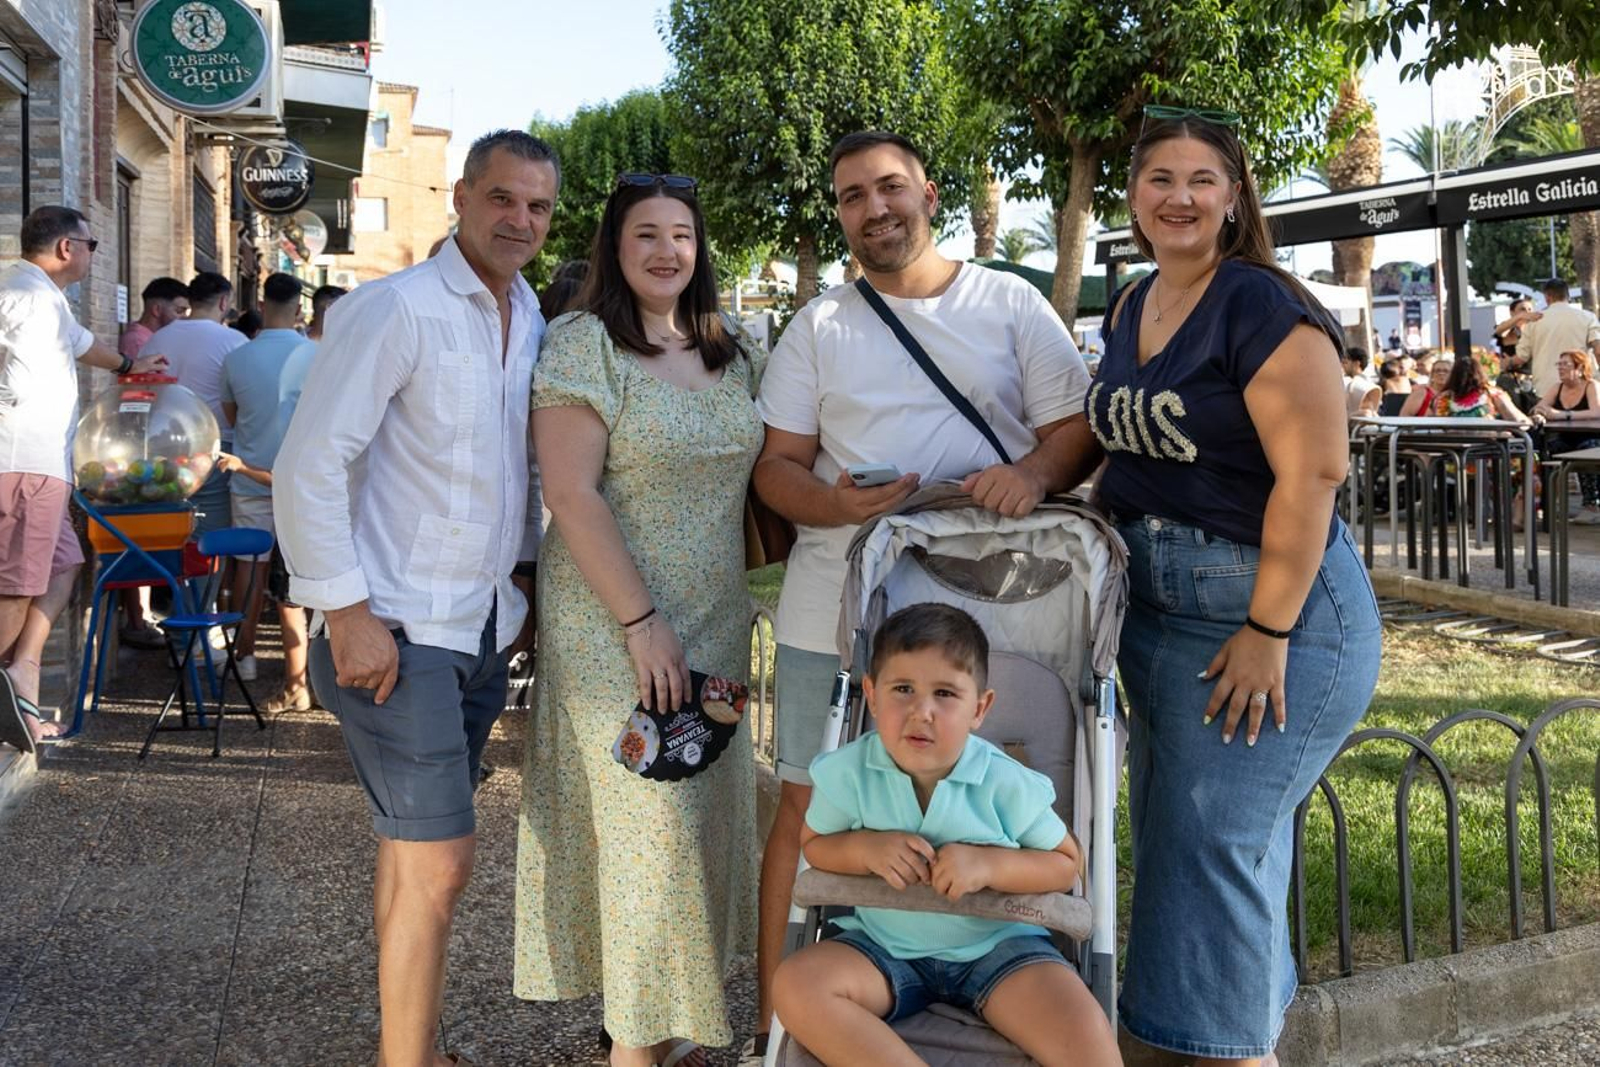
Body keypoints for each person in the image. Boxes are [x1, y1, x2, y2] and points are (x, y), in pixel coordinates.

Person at [749, 129, 1096, 1062]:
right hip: (841, 589)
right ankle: (771, 1022)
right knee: (802, 801)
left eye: (891, 186)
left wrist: (1030, 472)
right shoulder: (819, 325)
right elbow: (776, 468)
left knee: (1002, 771)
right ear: (842, 214)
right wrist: (831, 502)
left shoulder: (1010, 302)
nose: (875, 207)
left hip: (996, 598)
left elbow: (1073, 433)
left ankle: (992, 954)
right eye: (854, 195)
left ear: (929, 192)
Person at [1084, 106, 1381, 1066]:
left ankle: (1234, 1052)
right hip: (1162, 618)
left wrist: (1268, 629)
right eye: (1159, 178)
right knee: (1180, 846)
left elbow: (1315, 474)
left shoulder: (1257, 303)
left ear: (1234, 196)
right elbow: (1120, 435)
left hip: (1269, 616)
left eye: (1200, 178)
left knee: (1218, 846)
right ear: (1133, 196)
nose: (1179, 196)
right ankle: (1176, 1043)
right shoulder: (1132, 304)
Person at [274, 128, 556, 1067]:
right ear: (462, 197)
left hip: (479, 629)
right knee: (441, 858)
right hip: (395, 626)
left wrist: (521, 577)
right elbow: (311, 463)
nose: (520, 220)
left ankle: (413, 1049)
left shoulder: (533, 320)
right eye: (503, 199)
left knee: (412, 854)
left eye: (539, 207)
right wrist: (345, 613)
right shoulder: (396, 310)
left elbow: (514, 472)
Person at [515, 172, 760, 1067]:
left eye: (682, 235)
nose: (666, 251)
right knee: (644, 841)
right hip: (616, 629)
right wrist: (640, 618)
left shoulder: (731, 350)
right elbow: (571, 495)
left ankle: (662, 1023)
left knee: (693, 832)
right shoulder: (585, 343)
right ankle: (637, 1046)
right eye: (646, 234)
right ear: (617, 248)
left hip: (717, 623)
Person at [771, 604, 1119, 1067]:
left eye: (944, 694)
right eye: (902, 690)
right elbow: (815, 845)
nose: (922, 712)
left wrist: (989, 864)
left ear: (979, 709)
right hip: (884, 947)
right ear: (871, 697)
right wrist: (865, 848)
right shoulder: (849, 773)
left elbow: (1063, 862)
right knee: (795, 985)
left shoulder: (1004, 782)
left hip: (1000, 947)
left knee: (1085, 1033)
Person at [0, 206, 167, 750]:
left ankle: (23, 669)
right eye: (92, 243)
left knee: (65, 564)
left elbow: (83, 346)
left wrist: (128, 368)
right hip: (21, 460)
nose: (96, 252)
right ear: (68, 247)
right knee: (16, 586)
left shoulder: (47, 299)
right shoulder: (21, 295)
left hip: (45, 466)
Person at [218, 272, 305, 683]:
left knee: (249, 568)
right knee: (302, 573)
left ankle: (246, 653)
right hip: (300, 483)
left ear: (263, 306)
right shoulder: (314, 355)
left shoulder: (236, 357)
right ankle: (302, 670)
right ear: (299, 309)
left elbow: (232, 417)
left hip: (249, 476)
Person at [270, 283, 347, 713]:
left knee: (303, 594)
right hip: (309, 492)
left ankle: (305, 683)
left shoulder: (305, 358)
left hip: (319, 492)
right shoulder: (310, 359)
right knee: (294, 593)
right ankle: (301, 683)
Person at [141, 271, 245, 536]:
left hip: (160, 444)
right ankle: (203, 578)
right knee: (209, 530)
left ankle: (172, 577)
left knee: (168, 527)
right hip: (215, 446)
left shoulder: (158, 338)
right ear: (224, 302)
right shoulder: (234, 341)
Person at [117, 276, 191, 649]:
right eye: (178, 310)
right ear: (156, 308)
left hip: (149, 442)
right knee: (137, 535)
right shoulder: (137, 341)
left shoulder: (150, 339)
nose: (182, 317)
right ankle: (137, 617)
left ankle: (142, 614)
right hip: (136, 443)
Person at [1532, 349, 1600, 524]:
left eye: (1565, 364)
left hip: (1590, 438)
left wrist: (1563, 414)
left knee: (1587, 450)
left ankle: (1591, 506)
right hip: (1565, 438)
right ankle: (1546, 504)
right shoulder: (1557, 387)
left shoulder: (1591, 385)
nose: (1560, 368)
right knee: (1544, 453)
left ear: (1579, 368)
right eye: (1559, 364)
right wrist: (1540, 413)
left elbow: (1596, 412)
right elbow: (1538, 408)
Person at [1518, 277, 1600, 401]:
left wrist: (1507, 362)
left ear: (1547, 297)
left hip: (1545, 389)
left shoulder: (1534, 321)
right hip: (1582, 387)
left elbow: (1521, 356)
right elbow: (1598, 350)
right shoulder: (1588, 317)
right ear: (1567, 295)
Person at [120, 277, 190, 360]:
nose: (185, 317)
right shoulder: (138, 342)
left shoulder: (156, 338)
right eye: (179, 311)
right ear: (156, 310)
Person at [1342, 346, 1379, 418]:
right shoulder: (1369, 381)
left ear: (1356, 363)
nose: (1343, 366)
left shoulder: (1366, 384)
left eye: (1345, 362)